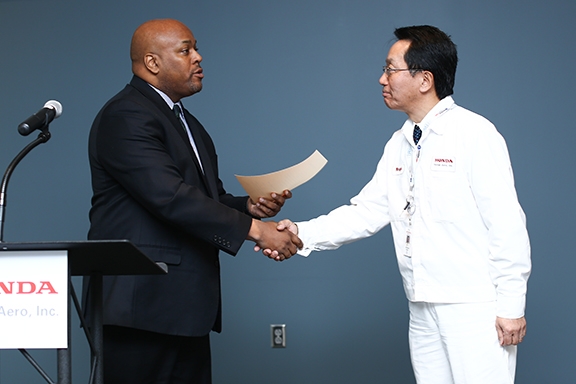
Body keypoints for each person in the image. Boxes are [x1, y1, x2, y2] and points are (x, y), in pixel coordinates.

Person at [274, 25, 531, 384]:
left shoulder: (474, 133)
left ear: (424, 79)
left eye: (390, 70)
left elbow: (507, 223)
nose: (382, 79)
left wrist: (511, 306)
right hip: (421, 305)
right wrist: (301, 233)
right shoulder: (399, 143)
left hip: (473, 307)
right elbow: (366, 212)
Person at [84, 18, 302, 384]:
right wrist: (257, 231)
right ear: (152, 63)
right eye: (186, 50)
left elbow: (205, 199)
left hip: (184, 306)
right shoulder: (126, 115)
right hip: (141, 305)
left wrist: (248, 207)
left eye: (195, 48)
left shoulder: (186, 122)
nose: (198, 57)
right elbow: (170, 198)